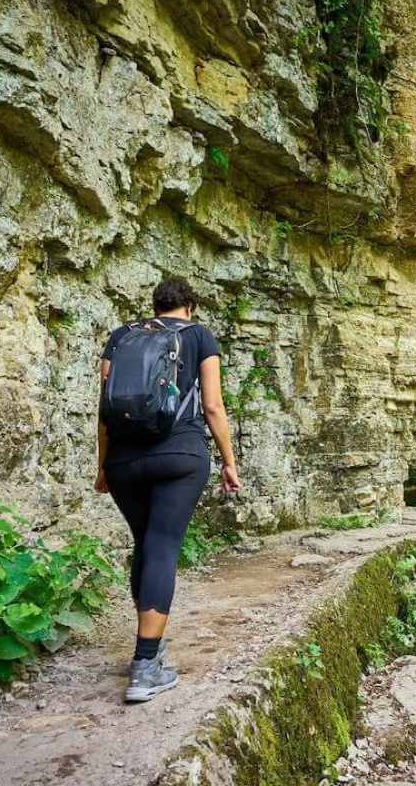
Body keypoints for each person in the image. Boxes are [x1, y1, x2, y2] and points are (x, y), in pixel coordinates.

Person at [95, 276, 242, 703]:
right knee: (161, 547)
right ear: (189, 308)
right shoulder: (198, 335)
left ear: (155, 306)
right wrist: (229, 462)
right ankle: (144, 667)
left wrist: (103, 465)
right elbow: (212, 404)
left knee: (145, 543)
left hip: (124, 460)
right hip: (179, 456)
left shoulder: (122, 337)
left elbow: (105, 411)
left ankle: (150, 647)